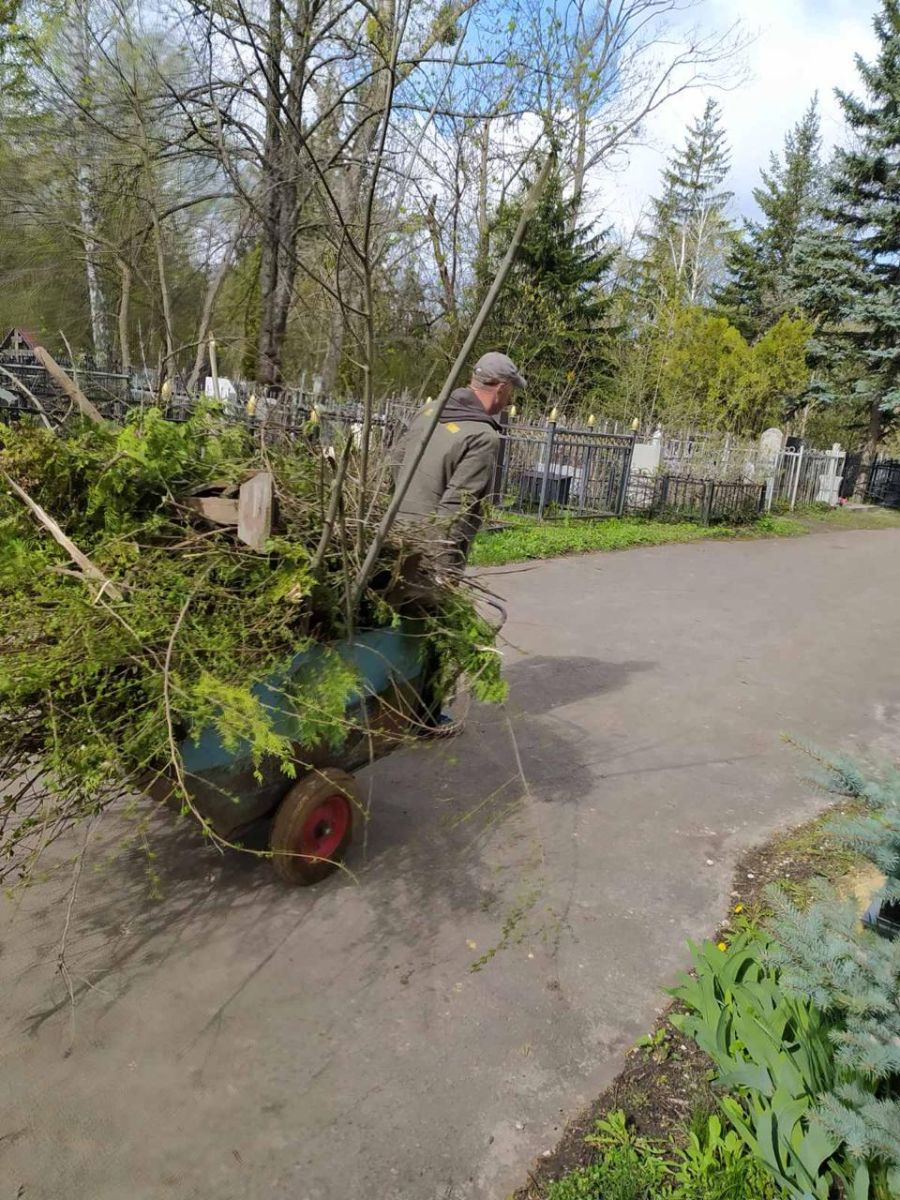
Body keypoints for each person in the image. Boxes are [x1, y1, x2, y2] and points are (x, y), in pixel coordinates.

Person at [393, 351, 526, 570]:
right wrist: (440, 573)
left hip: (394, 534)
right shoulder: (482, 436)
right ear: (501, 389)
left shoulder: (429, 410)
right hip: (429, 555)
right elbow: (456, 510)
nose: (509, 399)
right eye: (510, 391)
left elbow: (395, 461)